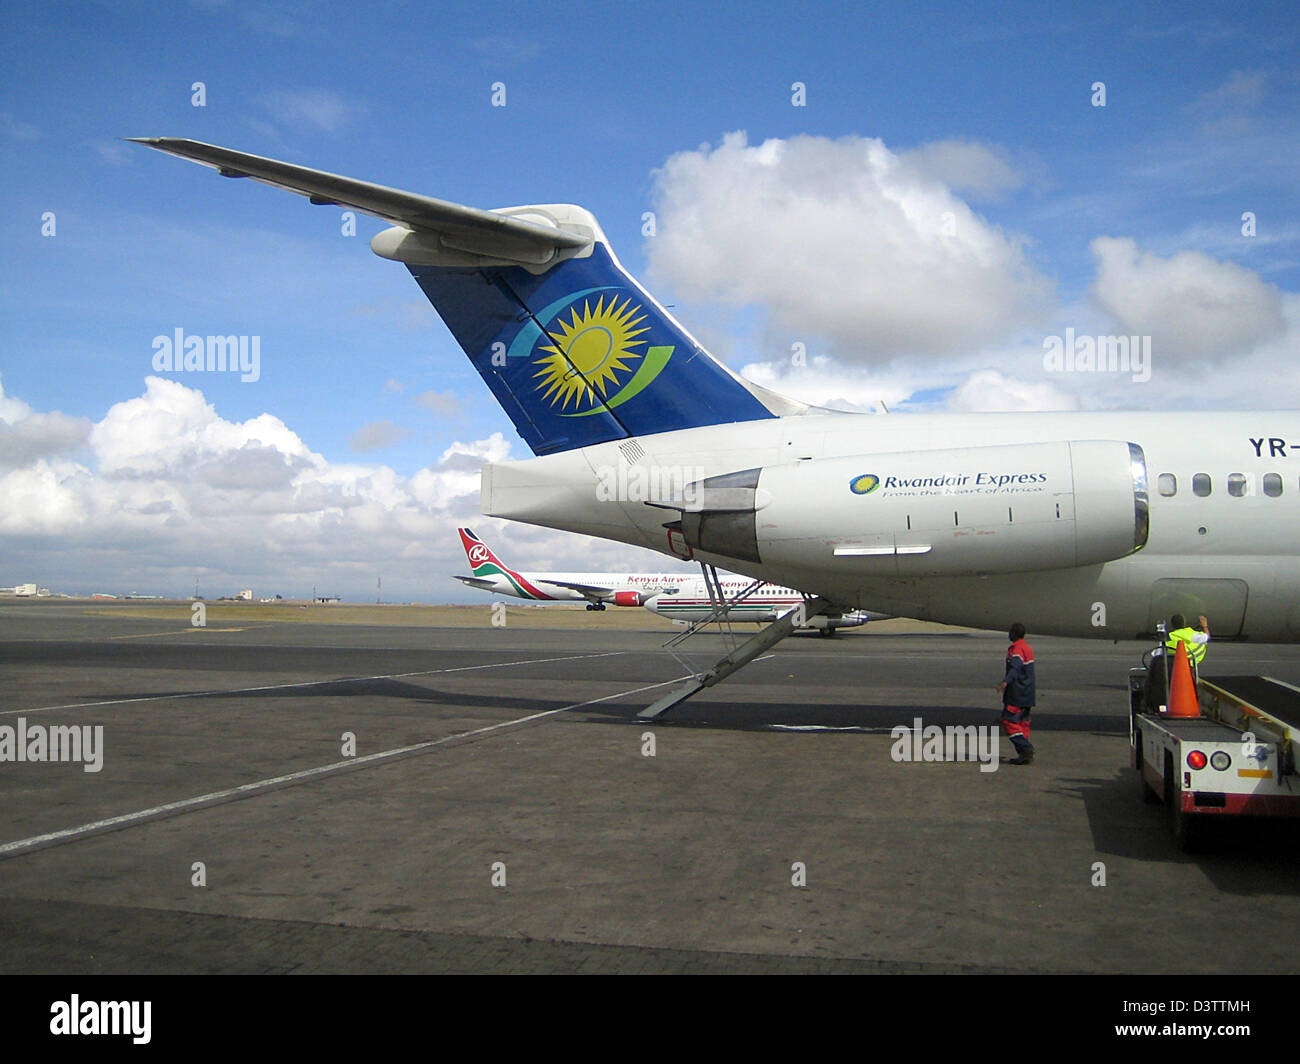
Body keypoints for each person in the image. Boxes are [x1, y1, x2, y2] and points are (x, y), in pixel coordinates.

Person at [996, 622, 1036, 765]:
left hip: (1017, 694)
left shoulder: (1017, 650)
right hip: (1028, 693)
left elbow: (1015, 668)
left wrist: (1005, 682)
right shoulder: (1027, 648)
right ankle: (1024, 756)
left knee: (1008, 721)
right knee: (1023, 723)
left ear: (1013, 633)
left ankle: (1026, 748)